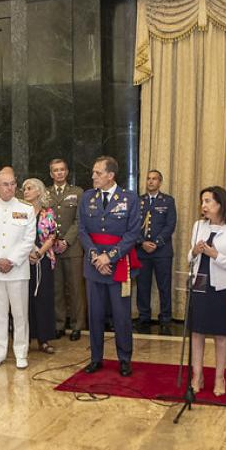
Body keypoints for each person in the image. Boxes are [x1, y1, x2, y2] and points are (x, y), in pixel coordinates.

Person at [78, 155, 142, 377]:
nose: (93, 176)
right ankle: (96, 358)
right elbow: (83, 230)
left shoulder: (130, 198)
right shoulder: (87, 197)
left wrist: (110, 257)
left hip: (119, 265)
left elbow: (133, 233)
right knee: (94, 314)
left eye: (98, 173)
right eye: (94, 172)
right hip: (94, 265)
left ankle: (124, 359)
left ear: (110, 175)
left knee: (121, 315)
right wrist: (97, 257)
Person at [188, 186, 226, 396]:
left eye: (208, 201)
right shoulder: (198, 226)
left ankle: (220, 377)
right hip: (199, 285)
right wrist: (194, 251)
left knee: (221, 335)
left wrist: (215, 255)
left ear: (220, 204)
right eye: (202, 201)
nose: (203, 206)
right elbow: (189, 258)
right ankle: (197, 375)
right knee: (197, 333)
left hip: (222, 287)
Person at [0, 168, 36, 369]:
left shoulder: (26, 209)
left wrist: (11, 260)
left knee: (20, 315)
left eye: (12, 183)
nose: (10, 187)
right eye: (5, 184)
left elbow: (29, 239)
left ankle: (21, 353)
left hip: (18, 271)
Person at [47, 159, 86, 341]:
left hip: (72, 249)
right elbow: (45, 221)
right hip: (52, 248)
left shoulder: (77, 193)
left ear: (67, 172)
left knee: (76, 288)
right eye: (56, 170)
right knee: (57, 289)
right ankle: (58, 324)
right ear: (51, 174)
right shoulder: (45, 194)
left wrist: (66, 241)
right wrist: (53, 240)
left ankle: (77, 325)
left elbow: (79, 220)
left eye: (62, 170)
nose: (59, 173)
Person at [136, 169, 177, 335]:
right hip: (142, 251)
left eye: (154, 179)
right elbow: (131, 225)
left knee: (164, 286)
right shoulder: (138, 201)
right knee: (143, 286)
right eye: (148, 179)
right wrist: (141, 242)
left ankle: (165, 317)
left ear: (160, 182)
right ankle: (144, 316)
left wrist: (156, 243)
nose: (151, 182)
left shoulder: (167, 201)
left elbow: (170, 225)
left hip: (162, 252)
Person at [23, 177, 58, 354]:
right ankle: (25, 338)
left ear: (38, 191)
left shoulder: (47, 212)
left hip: (42, 259)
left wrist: (39, 253)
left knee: (43, 298)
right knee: (25, 300)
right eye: (24, 189)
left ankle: (44, 339)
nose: (26, 191)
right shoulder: (20, 212)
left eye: (29, 188)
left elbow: (52, 236)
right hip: (23, 260)